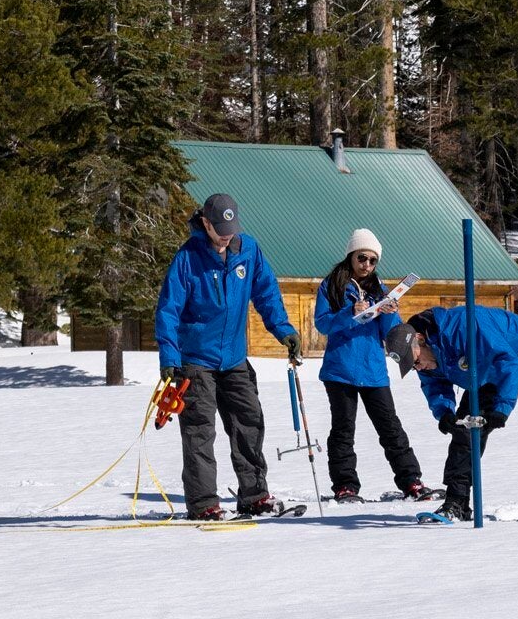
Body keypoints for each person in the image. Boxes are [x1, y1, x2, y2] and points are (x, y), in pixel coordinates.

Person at [154, 191, 300, 519]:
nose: (225, 237)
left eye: (229, 231)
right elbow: (168, 310)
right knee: (200, 431)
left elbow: (267, 293)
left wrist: (284, 330)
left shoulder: (248, 250)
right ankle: (204, 503)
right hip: (196, 360)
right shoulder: (188, 258)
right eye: (219, 230)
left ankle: (254, 495)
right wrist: (169, 358)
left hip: (234, 358)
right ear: (204, 223)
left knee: (249, 420)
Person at [397, 300, 518, 523]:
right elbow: (434, 385)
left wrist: (502, 408)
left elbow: (507, 361)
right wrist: (444, 413)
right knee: (465, 431)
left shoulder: (464, 326)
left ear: (420, 340)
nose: (418, 368)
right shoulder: (424, 354)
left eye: (415, 362)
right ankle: (457, 503)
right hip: (487, 371)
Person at [313, 229, 425, 502]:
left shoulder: (380, 289)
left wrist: (389, 313)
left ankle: (411, 482)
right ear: (352, 255)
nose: (367, 265)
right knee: (343, 430)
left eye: (373, 260)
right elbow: (322, 323)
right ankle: (345, 485)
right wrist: (348, 312)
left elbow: (391, 332)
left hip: (373, 371)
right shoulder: (332, 286)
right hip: (340, 370)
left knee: (390, 427)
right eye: (362, 257)